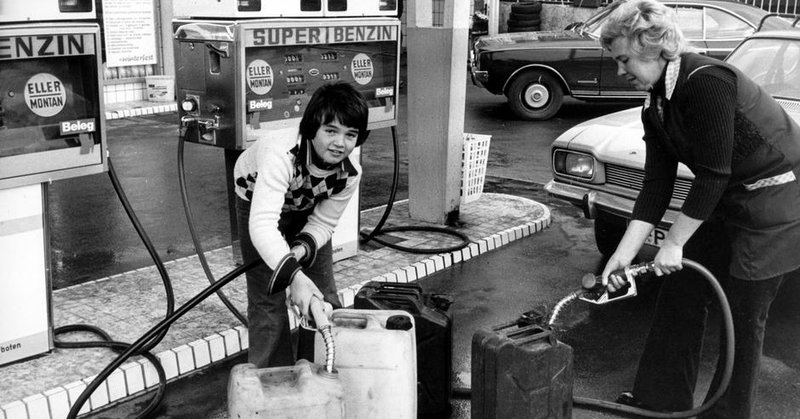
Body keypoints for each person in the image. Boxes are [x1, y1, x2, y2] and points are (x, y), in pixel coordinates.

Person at [597, 0, 800, 417]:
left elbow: (711, 175)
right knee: (680, 289)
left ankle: (727, 414)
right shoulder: (656, 104)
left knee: (743, 314)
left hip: (776, 202)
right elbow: (657, 185)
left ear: (652, 46)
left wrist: (673, 243)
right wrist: (622, 255)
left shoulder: (706, 81)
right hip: (727, 197)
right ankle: (660, 399)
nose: (620, 71)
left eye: (623, 60)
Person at [233, 81, 369, 368]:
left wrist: (300, 252)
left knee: (322, 292)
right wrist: (293, 275)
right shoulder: (281, 154)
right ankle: (272, 383)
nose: (340, 143)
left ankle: (323, 369)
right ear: (311, 128)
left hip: (306, 204)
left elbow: (324, 221)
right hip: (257, 201)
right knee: (267, 295)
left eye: (350, 134)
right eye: (330, 131)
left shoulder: (351, 171)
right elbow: (263, 226)